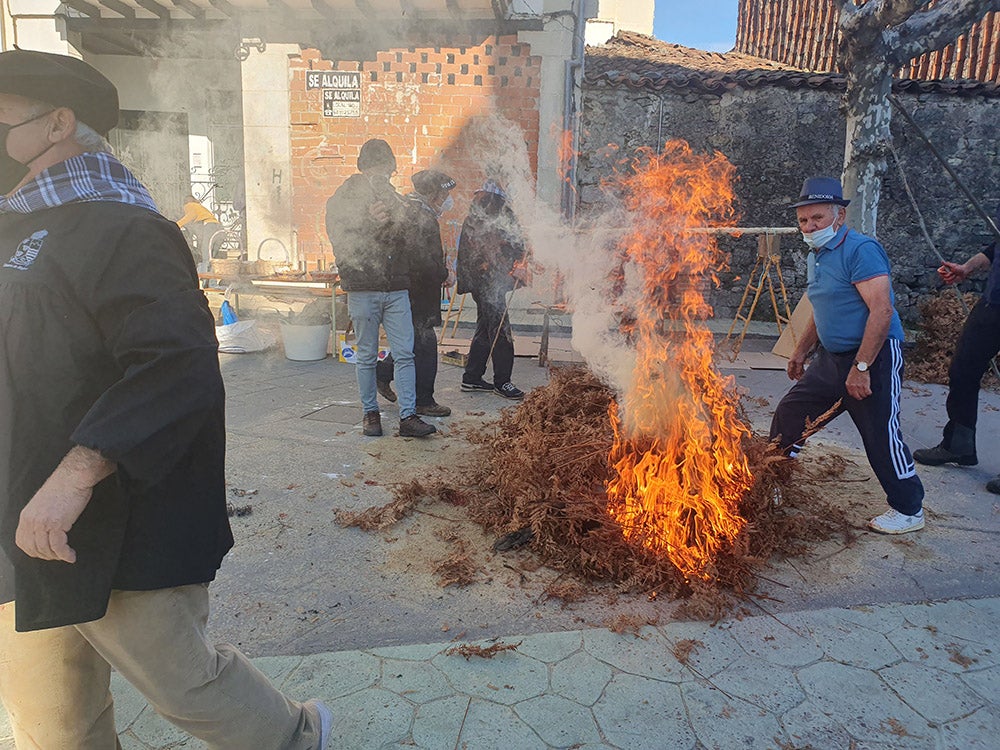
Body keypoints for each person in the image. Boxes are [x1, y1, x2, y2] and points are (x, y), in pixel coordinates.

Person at [0, 50, 331, 747]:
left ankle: (299, 737)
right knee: (53, 714)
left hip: (109, 517)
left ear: (58, 123)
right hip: (17, 517)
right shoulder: (16, 224)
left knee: (186, 685)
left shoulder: (125, 229)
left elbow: (175, 363)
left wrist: (74, 475)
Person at [770, 177, 925, 534]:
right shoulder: (818, 254)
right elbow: (820, 306)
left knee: (878, 432)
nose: (810, 227)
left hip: (874, 355)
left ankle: (908, 508)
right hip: (831, 357)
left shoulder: (861, 250)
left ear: (839, 215)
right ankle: (774, 479)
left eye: (818, 218)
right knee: (792, 411)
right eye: (804, 220)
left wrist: (862, 367)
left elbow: (882, 311)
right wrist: (800, 349)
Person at [325, 138, 436, 437]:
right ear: (363, 167)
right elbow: (341, 237)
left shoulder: (394, 197)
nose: (382, 175)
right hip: (363, 286)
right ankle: (370, 414)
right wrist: (368, 222)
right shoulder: (343, 199)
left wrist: (408, 220)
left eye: (386, 170)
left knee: (405, 353)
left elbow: (407, 241)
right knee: (366, 354)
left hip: (397, 286)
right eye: (376, 168)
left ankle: (408, 416)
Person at [912, 204, 1000, 494]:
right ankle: (959, 444)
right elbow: (993, 249)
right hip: (992, 305)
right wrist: (966, 268)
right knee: (963, 369)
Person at [376, 169, 455, 417]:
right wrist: (443, 274)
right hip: (418, 292)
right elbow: (422, 259)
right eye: (444, 194)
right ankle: (423, 400)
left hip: (412, 290)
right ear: (433, 194)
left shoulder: (412, 210)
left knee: (412, 343)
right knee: (425, 345)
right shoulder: (421, 216)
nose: (446, 199)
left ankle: (382, 372)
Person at [456, 179, 528, 400]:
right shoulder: (480, 221)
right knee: (500, 331)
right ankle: (502, 382)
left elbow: (516, 242)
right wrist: (512, 265)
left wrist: (521, 259)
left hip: (488, 281)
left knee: (486, 327)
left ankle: (472, 377)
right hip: (487, 283)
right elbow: (490, 252)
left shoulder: (495, 216)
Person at [177, 193, 221, 268]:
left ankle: (205, 269)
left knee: (205, 249)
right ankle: (211, 270)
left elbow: (190, 216)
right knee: (212, 253)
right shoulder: (199, 207)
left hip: (209, 225)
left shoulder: (189, 205)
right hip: (218, 227)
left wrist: (177, 224)